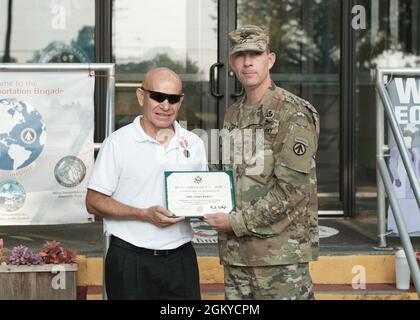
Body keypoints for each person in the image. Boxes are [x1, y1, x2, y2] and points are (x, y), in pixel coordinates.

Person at [204, 25, 320, 300]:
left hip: (279, 260)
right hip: (236, 257)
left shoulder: (293, 112)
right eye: (240, 55)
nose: (247, 62)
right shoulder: (233, 114)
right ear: (232, 63)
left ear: (270, 59)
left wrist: (236, 221)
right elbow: (227, 176)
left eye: (255, 54)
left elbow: (292, 191)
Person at [86, 67, 208, 300]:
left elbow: (201, 198)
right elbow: (93, 202)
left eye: (173, 99)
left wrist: (210, 209)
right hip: (130, 260)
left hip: (180, 260)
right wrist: (143, 214)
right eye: (157, 96)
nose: (165, 105)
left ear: (180, 102)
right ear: (141, 96)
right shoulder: (117, 143)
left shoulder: (193, 144)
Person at [388, 123, 420, 233]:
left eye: (410, 137)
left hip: (413, 182)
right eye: (406, 137)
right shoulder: (396, 150)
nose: (408, 140)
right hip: (401, 181)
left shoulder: (416, 151)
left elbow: (418, 166)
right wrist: (396, 178)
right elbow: (392, 165)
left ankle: (414, 226)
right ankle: (398, 228)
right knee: (400, 202)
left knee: (414, 202)